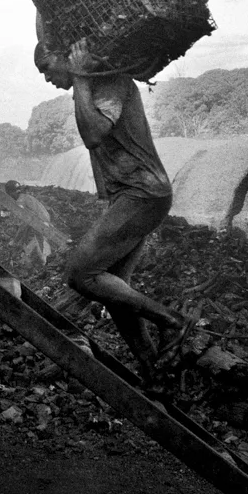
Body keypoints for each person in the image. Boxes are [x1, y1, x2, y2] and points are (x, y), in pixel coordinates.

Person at [35, 30, 186, 382]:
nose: (46, 77)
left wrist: (80, 78)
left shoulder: (109, 82)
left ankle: (171, 322)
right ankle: (153, 371)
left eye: (46, 67)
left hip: (143, 193)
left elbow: (93, 134)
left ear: (66, 57)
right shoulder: (91, 87)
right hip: (131, 195)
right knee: (116, 291)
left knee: (80, 274)